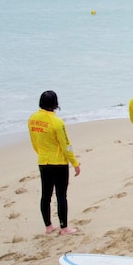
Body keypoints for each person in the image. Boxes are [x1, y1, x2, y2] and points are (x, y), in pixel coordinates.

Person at [28, 90, 81, 235]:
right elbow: (66, 145)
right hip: (58, 163)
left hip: (43, 162)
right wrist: (75, 163)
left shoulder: (32, 119)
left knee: (45, 195)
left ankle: (48, 226)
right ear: (55, 104)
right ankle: (64, 228)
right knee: (61, 195)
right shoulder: (57, 122)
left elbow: (34, 142)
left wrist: (42, 154)